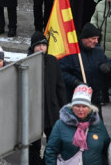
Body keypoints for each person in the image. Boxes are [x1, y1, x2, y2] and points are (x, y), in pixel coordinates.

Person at [26, 32, 66, 165]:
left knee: (53, 143)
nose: (42, 48)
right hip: (33, 113)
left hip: (51, 111)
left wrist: (63, 108)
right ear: (33, 47)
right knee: (34, 146)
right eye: (38, 45)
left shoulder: (53, 61)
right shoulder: (26, 64)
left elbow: (60, 87)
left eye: (44, 45)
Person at [44, 85, 110, 165]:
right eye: (77, 106)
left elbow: (107, 148)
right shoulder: (60, 125)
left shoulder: (98, 124)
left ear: (89, 108)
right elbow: (51, 150)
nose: (81, 110)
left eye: (84, 106)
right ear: (72, 107)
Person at [60, 23, 111, 104]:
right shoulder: (72, 52)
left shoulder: (98, 50)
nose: (96, 41)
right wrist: (75, 82)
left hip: (95, 99)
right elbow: (61, 72)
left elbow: (110, 64)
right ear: (84, 38)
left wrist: (109, 66)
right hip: (76, 99)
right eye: (93, 38)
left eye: (97, 38)